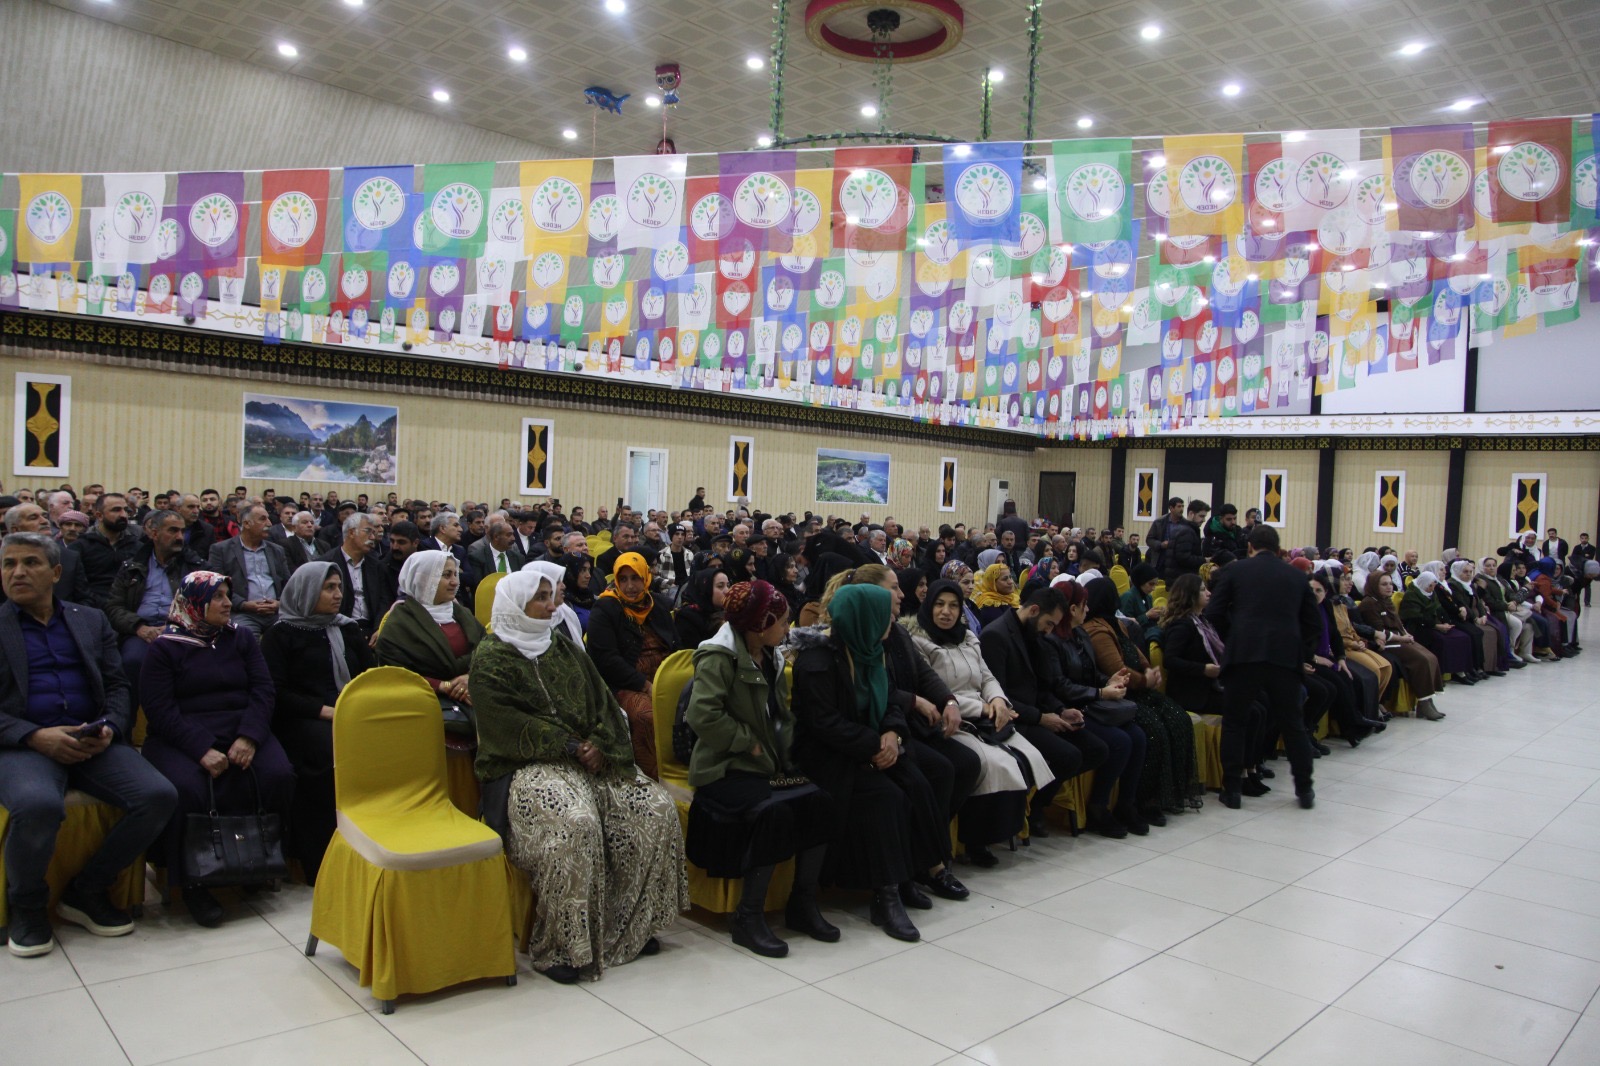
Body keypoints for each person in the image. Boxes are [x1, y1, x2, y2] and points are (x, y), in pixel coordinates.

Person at [471, 568, 688, 983]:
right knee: (574, 822)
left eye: (553, 596)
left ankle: (628, 928)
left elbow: (603, 703)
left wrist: (601, 744)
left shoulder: (563, 649)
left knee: (654, 807)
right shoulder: (491, 658)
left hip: (590, 758)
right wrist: (571, 746)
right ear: (517, 605)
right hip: (527, 767)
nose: (553, 606)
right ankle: (562, 947)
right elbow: (506, 725)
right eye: (542, 598)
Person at [0, 533, 178, 957]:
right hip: (25, 744)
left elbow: (118, 686)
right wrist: (34, 736)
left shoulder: (89, 619)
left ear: (56, 573)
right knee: (39, 805)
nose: (18, 572)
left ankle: (87, 888)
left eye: (30, 563)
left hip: (91, 737)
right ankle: (27, 906)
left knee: (159, 796)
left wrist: (110, 729)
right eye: (9, 564)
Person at [789, 584, 952, 943]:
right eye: (884, 616)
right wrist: (872, 744)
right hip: (827, 756)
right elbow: (824, 723)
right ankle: (886, 895)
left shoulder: (870, 650)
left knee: (916, 783)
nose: (890, 622)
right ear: (864, 618)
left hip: (867, 747)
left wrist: (892, 734)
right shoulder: (817, 661)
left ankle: (910, 874)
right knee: (886, 798)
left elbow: (888, 700)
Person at [685, 580, 836, 958]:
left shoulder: (771, 655)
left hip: (762, 764)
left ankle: (801, 904)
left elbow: (779, 717)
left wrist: (787, 753)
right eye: (782, 621)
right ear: (758, 623)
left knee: (819, 800)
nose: (788, 628)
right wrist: (746, 742)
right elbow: (701, 715)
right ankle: (747, 917)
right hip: (724, 769)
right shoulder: (718, 657)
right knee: (774, 811)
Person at [137, 572, 292, 927]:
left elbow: (263, 690)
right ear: (195, 603)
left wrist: (249, 737)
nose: (227, 603)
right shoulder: (166, 646)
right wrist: (201, 749)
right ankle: (193, 881)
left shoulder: (240, 638)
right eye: (218, 597)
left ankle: (256, 862)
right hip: (183, 735)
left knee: (277, 774)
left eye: (228, 595)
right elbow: (159, 709)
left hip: (240, 728)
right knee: (187, 788)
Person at [910, 580, 1053, 860]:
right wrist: (984, 708)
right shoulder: (918, 641)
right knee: (995, 765)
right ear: (929, 606)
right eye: (939, 604)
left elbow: (986, 676)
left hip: (984, 711)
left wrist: (998, 700)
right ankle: (974, 839)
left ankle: (996, 832)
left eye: (953, 605)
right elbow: (932, 688)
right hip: (953, 717)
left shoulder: (967, 637)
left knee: (1028, 758)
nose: (946, 612)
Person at [260, 561, 375, 884]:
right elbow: (277, 692)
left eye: (339, 587)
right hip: (302, 718)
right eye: (329, 588)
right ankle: (320, 858)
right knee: (328, 755)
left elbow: (370, 674)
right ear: (307, 591)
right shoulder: (281, 635)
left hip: (349, 711)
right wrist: (325, 711)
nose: (338, 594)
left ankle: (373, 845)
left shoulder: (346, 627)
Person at [1202, 525, 1319, 810]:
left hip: (1244, 655)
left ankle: (1232, 790)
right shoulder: (1296, 575)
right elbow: (1313, 623)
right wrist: (1298, 648)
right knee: (1293, 725)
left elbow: (1213, 613)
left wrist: (1237, 632)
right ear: (1278, 549)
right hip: (1284, 658)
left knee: (1235, 723)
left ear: (1250, 547)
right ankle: (1304, 789)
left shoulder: (1235, 571)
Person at [1079, 578, 1203, 820]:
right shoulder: (1095, 629)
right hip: (1122, 695)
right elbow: (1117, 669)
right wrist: (1144, 679)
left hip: (1139, 691)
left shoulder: (1116, 624)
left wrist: (1149, 670)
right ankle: (1142, 800)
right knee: (1153, 730)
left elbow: (1136, 652)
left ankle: (1170, 792)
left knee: (1179, 719)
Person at [1046, 579, 1151, 835]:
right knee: (1119, 741)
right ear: (1072, 609)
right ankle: (1097, 807)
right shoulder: (1051, 640)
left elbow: (1091, 673)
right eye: (1083, 605)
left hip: (1091, 701)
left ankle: (1126, 803)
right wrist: (1101, 692)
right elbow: (1060, 685)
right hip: (1068, 707)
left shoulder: (1080, 633)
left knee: (1137, 736)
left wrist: (1110, 681)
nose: (1088, 609)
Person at [586, 551, 678, 779]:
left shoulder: (657, 605)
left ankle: (685, 771)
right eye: (623, 579)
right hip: (626, 682)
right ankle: (652, 775)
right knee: (646, 715)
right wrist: (644, 685)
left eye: (635, 578)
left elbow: (675, 644)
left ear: (646, 577)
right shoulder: (606, 608)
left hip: (664, 677)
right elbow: (606, 660)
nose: (630, 586)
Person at [374, 550, 485, 705]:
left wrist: (471, 677)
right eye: (446, 575)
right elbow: (394, 673)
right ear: (423, 580)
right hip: (421, 702)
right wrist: (441, 685)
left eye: (455, 574)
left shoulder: (463, 614)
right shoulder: (400, 623)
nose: (455, 582)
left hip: (473, 694)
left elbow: (488, 653)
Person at [1358, 571, 1445, 719]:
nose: (1389, 587)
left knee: (1430, 656)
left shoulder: (1386, 600)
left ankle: (1428, 700)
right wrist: (1401, 638)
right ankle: (1423, 703)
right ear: (1374, 585)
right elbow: (1378, 630)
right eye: (1384, 584)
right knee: (1420, 659)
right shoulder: (1369, 603)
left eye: (1390, 583)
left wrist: (1406, 634)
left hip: (1399, 639)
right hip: (1386, 642)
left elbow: (1398, 623)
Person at [206, 503, 289, 636]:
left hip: (276, 612)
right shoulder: (221, 550)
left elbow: (287, 583)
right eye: (262, 519)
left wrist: (279, 603)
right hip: (242, 612)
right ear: (246, 523)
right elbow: (216, 586)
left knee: (292, 635)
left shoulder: (277, 550)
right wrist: (244, 605)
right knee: (245, 636)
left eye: (268, 518)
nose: (269, 523)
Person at [316, 513, 394, 639]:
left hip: (371, 629)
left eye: (374, 533)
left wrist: (379, 628)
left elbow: (384, 600)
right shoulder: (326, 564)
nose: (373, 537)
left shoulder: (377, 565)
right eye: (368, 531)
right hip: (338, 629)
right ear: (351, 533)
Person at [1400, 571, 1478, 684]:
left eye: (1433, 585)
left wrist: (1447, 622)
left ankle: (1461, 671)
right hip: (1419, 627)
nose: (1432, 588)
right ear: (1423, 583)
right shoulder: (1412, 595)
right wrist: (1436, 626)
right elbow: (1415, 617)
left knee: (1462, 637)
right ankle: (1440, 673)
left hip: (1434, 623)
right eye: (1430, 586)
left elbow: (1439, 608)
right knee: (1442, 641)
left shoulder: (1431, 593)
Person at [674, 569, 729, 650]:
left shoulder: (727, 612)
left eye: (728, 585)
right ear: (706, 589)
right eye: (720, 586)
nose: (727, 591)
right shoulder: (687, 617)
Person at [1118, 563, 1164, 643]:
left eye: (1155, 584)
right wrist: (1147, 616)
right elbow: (1124, 624)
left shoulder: (1148, 597)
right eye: (1151, 584)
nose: (1153, 588)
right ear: (1141, 582)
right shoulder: (1128, 597)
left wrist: (1159, 615)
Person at [972, 562, 1019, 627]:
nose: (1011, 582)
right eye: (1005, 579)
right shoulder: (989, 606)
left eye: (1010, 577)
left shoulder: (1013, 597)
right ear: (993, 583)